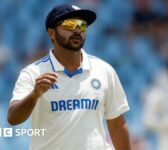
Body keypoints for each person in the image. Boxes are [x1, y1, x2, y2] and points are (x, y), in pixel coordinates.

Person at [7, 3, 131, 150]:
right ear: (51, 33)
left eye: (82, 25)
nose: (77, 30)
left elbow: (117, 123)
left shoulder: (104, 70)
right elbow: (13, 118)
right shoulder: (33, 73)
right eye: (70, 24)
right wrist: (34, 95)